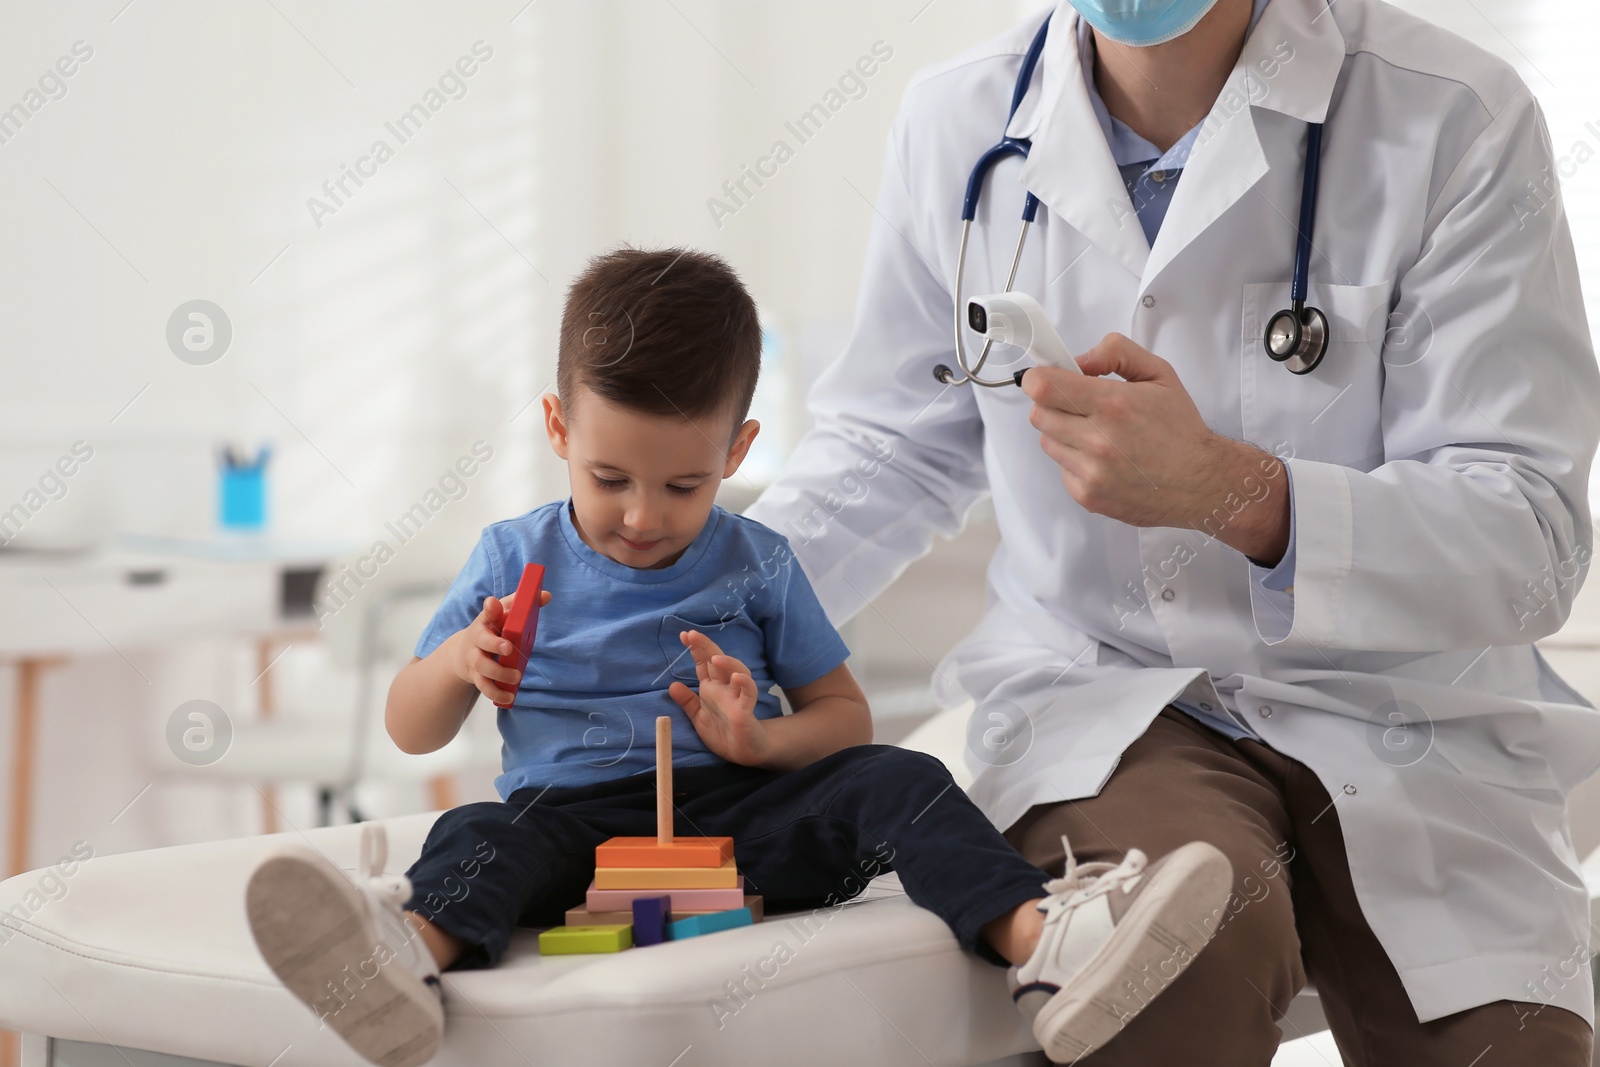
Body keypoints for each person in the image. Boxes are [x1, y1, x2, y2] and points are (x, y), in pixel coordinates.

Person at [743, 0, 1600, 1064]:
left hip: (1401, 709)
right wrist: (698, 600)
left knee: (1506, 1049)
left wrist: (1231, 491)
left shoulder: (1455, 118)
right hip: (1108, 695)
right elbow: (890, 446)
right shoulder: (957, 121)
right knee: (1163, 970)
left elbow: (1531, 536)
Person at [243, 247, 1239, 1067]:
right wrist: (461, 661)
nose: (642, 516)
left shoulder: (757, 562)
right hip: (570, 826)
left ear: (737, 449)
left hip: (739, 821)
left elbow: (841, 716)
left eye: (682, 484)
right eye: (608, 478)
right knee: (476, 830)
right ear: (557, 428)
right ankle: (403, 961)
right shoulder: (513, 558)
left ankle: (1043, 946)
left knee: (900, 774)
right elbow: (407, 728)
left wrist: (760, 738)